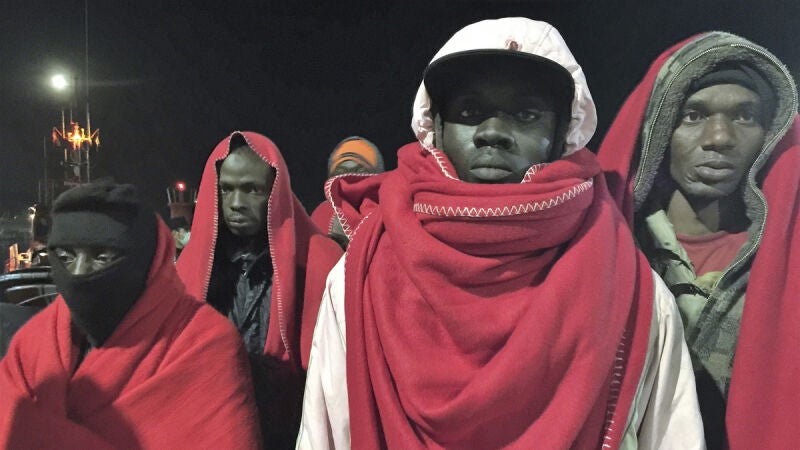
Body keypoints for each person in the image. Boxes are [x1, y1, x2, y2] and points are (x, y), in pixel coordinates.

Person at [297, 18, 703, 449]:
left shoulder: (625, 287)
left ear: (562, 131)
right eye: (469, 112)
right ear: (437, 126)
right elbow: (325, 434)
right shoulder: (363, 275)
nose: (493, 132)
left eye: (526, 114)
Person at [597, 32, 799, 448]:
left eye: (745, 117)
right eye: (693, 115)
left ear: (771, 133)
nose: (719, 138)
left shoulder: (787, 262)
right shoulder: (611, 253)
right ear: (658, 131)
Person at [0, 180, 261, 448]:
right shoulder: (32, 344)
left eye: (103, 257)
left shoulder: (205, 345)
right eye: (65, 257)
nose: (78, 273)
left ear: (148, 261)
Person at [176, 131, 342, 448]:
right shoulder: (191, 267)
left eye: (252, 189)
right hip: (212, 426)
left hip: (292, 429)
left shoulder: (318, 261)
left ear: (274, 190)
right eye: (227, 189)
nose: (237, 204)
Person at [310, 136, 385, 249]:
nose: (348, 179)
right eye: (341, 172)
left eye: (360, 171)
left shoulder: (390, 211)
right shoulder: (323, 214)